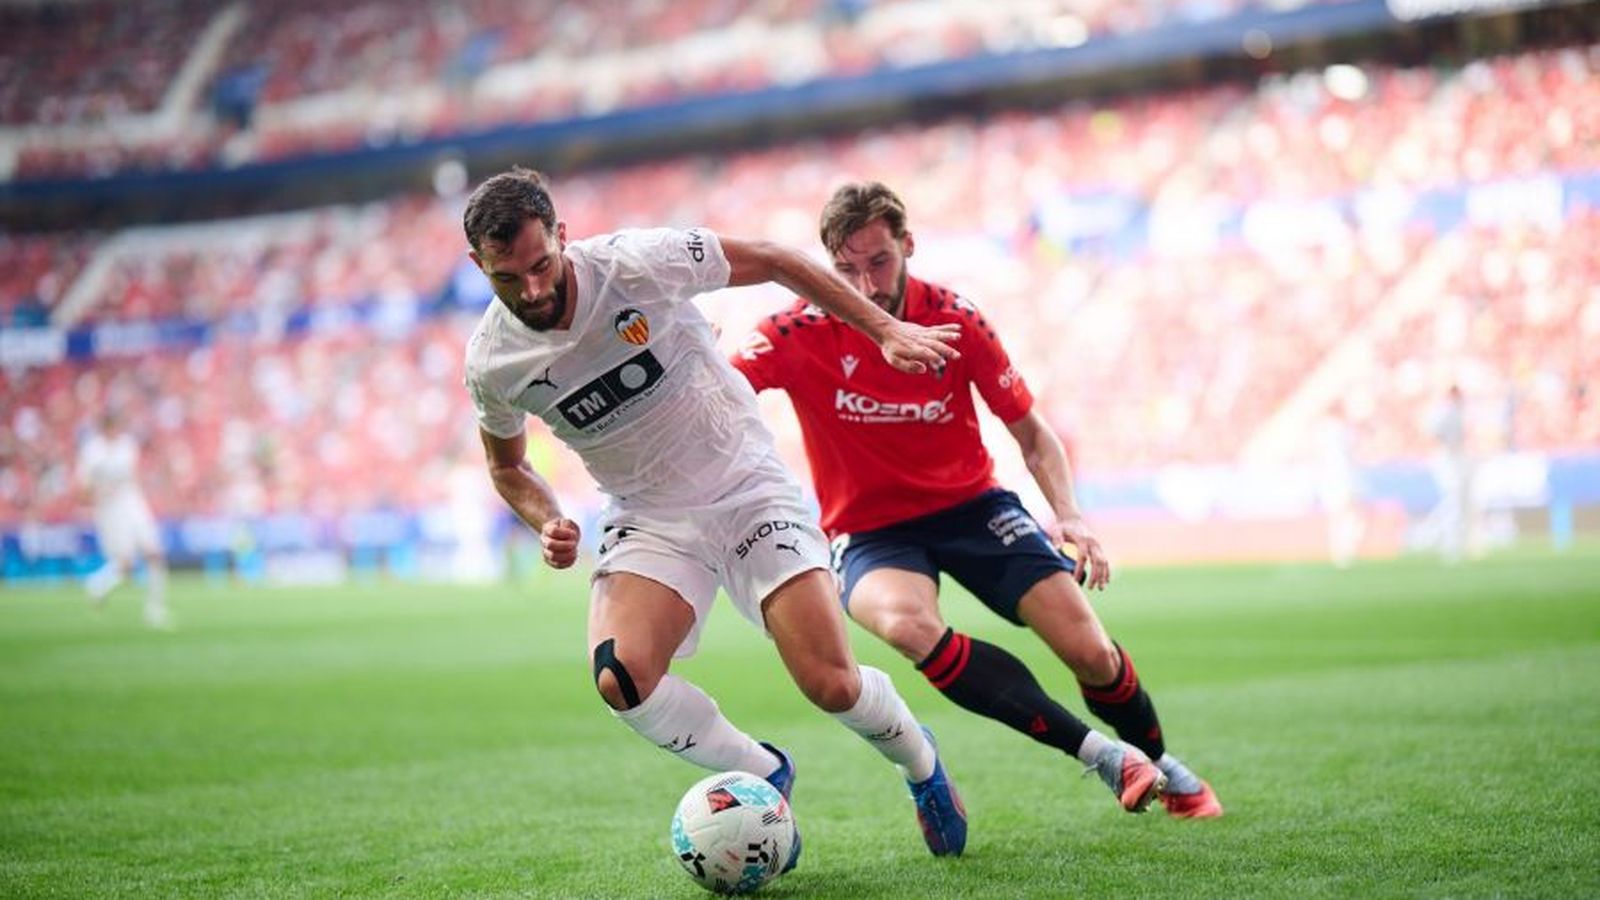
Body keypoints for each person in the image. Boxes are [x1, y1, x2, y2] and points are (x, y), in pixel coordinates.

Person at [459, 167, 969, 863]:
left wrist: (883, 330)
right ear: (478, 267)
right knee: (622, 677)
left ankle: (921, 766)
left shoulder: (635, 263)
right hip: (650, 515)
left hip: (746, 484)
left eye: (541, 265)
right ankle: (765, 774)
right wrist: (544, 516)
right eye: (507, 279)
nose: (533, 290)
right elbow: (507, 465)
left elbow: (777, 259)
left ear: (562, 238)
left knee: (832, 683)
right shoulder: (492, 360)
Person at [730, 181, 1222, 818]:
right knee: (907, 625)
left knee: (1091, 653)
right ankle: (1104, 755)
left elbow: (1032, 432)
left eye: (878, 261)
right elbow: (721, 390)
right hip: (870, 530)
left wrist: (1070, 516)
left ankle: (1160, 763)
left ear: (908, 245)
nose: (867, 286)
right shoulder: (794, 330)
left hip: (975, 509)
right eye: (846, 270)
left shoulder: (956, 319)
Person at [77, 409, 171, 630]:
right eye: (113, 426)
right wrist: (99, 495)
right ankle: (98, 585)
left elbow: (133, 475)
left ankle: (154, 609)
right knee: (125, 567)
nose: (117, 431)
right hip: (110, 511)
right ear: (105, 428)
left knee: (155, 553)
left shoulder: (127, 445)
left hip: (133, 503)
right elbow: (84, 488)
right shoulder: (92, 452)